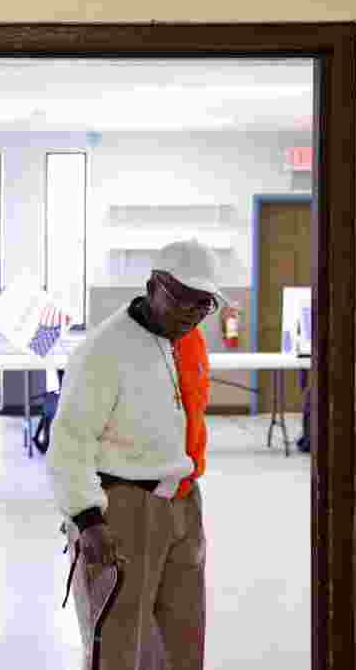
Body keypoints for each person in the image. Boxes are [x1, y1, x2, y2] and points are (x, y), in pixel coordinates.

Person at [47, 239, 225, 669]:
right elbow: (70, 440)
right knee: (120, 640)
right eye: (181, 298)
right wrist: (87, 519)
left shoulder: (188, 341)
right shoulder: (104, 349)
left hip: (182, 502)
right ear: (152, 287)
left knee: (183, 636)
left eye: (203, 304)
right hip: (123, 508)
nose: (191, 313)